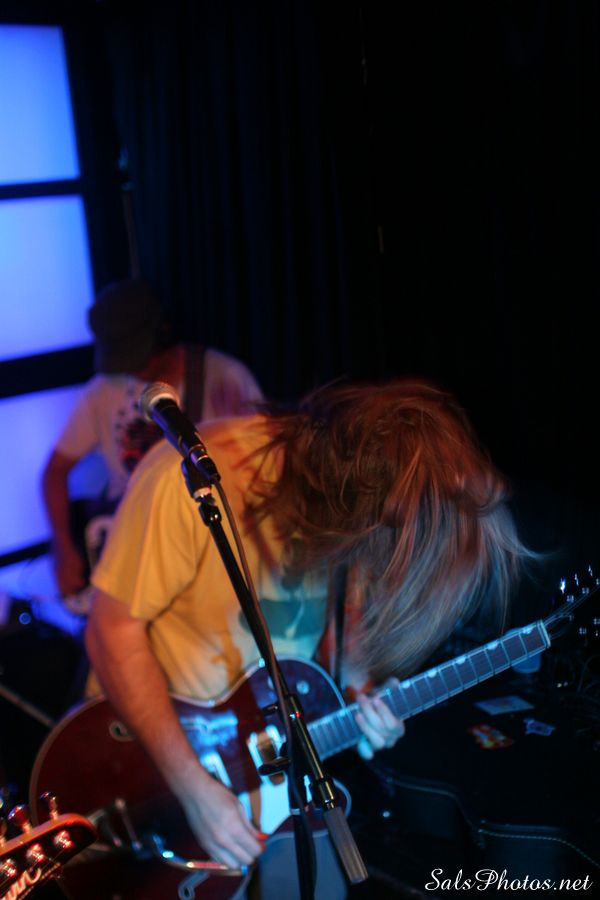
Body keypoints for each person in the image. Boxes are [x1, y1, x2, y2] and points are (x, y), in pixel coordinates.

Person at [85, 377, 530, 897]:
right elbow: (110, 632)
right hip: (154, 771)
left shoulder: (365, 504)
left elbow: (346, 624)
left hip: (273, 772)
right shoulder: (185, 482)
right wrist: (192, 787)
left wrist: (363, 697)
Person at [42, 278, 263, 598]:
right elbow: (55, 470)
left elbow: (260, 476)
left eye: (135, 354)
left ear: (163, 333)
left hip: (202, 554)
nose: (131, 368)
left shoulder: (226, 378)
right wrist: (63, 548)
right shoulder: (103, 390)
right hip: (131, 554)